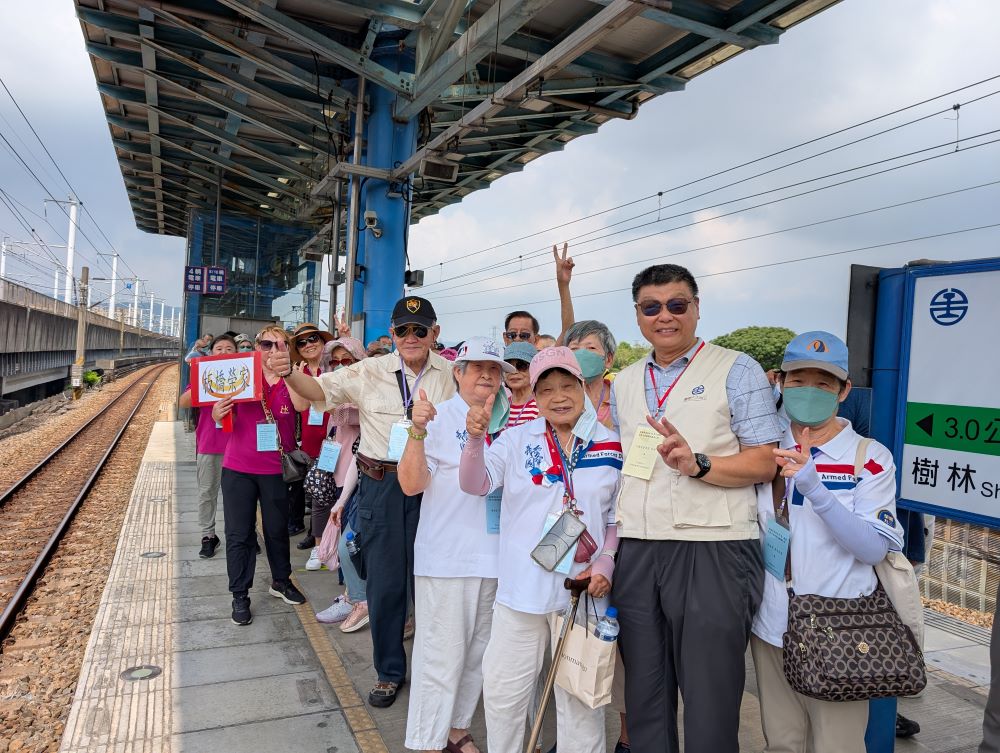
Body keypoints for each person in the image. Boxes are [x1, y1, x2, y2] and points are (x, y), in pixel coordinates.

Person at [610, 263, 781, 753]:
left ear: (697, 309)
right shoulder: (624, 381)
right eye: (652, 307)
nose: (665, 316)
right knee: (644, 691)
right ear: (638, 315)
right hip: (640, 547)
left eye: (677, 305)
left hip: (714, 548)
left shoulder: (736, 368)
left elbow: (766, 461)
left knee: (710, 695)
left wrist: (700, 463)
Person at [273, 296, 456, 708]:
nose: (411, 337)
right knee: (387, 585)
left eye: (420, 329)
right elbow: (316, 390)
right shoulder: (368, 371)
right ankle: (390, 672)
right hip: (382, 485)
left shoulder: (452, 374)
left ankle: (436, 673)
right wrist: (289, 375)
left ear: (435, 334)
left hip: (436, 487)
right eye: (403, 329)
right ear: (392, 333)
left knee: (435, 584)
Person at [459, 346, 622, 753]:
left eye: (568, 385)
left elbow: (620, 516)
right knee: (504, 694)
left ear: (584, 387)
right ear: (534, 396)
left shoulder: (612, 445)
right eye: (546, 389)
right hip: (520, 592)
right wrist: (475, 441)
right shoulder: (516, 439)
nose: (559, 396)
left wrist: (605, 561)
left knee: (580, 700)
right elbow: (475, 484)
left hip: (582, 594)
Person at [750, 331, 905, 753]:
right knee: (781, 742)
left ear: (844, 390)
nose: (810, 392)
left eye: (824, 383)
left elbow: (874, 548)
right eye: (799, 381)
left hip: (841, 628)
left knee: (836, 746)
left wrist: (816, 488)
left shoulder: (869, 457)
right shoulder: (765, 451)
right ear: (781, 382)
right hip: (771, 626)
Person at [399, 337, 509, 753]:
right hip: (448, 559)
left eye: (494, 369)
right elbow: (410, 485)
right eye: (476, 367)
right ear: (457, 373)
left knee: (478, 656)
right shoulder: (435, 416)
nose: (486, 375)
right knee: (439, 658)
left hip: (497, 561)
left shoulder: (508, 424)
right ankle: (426, 740)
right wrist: (417, 430)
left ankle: (456, 728)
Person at [211, 325, 308, 626]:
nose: (274, 350)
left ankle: (281, 580)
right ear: (255, 346)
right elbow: (222, 416)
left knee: (277, 530)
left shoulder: (291, 377)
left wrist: (287, 372)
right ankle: (239, 594)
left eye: (282, 344)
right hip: (238, 466)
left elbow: (303, 405)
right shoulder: (240, 373)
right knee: (239, 534)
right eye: (267, 344)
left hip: (274, 468)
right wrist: (217, 415)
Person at [311, 336, 369, 633]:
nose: (341, 367)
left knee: (352, 541)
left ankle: (356, 598)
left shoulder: (366, 391)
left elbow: (353, 413)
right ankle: (349, 594)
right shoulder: (334, 389)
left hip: (360, 475)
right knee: (345, 536)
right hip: (337, 472)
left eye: (348, 361)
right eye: (334, 362)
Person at [178, 334, 237, 558]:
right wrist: (207, 384)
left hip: (239, 444)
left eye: (229, 349)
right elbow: (183, 401)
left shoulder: (245, 375)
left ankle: (245, 533)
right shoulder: (203, 374)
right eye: (219, 348)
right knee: (207, 492)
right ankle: (208, 535)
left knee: (241, 495)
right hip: (210, 443)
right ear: (211, 353)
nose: (223, 352)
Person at [287, 323, 335, 544]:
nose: (308, 345)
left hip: (336, 439)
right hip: (311, 441)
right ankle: (316, 534)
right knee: (317, 491)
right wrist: (293, 378)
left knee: (335, 491)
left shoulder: (335, 367)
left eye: (313, 338)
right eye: (302, 342)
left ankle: (328, 536)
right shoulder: (299, 371)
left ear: (323, 342)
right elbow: (301, 406)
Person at [565, 320, 615, 428]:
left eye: (591, 348)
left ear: (608, 359)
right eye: (574, 348)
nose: (582, 354)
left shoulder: (621, 397)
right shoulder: (557, 398)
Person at [503, 342, 539, 428]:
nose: (514, 372)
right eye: (508, 367)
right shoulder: (500, 406)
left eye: (521, 366)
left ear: (534, 369)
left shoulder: (542, 405)